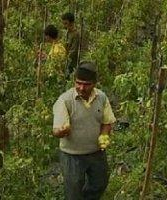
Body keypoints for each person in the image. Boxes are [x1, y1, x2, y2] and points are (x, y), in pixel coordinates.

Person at [52, 61, 116, 200]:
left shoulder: (101, 97)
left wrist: (104, 135)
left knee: (100, 183)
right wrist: (62, 131)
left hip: (96, 152)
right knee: (74, 189)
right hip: (72, 155)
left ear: (94, 83)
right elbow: (56, 131)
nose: (81, 87)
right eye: (78, 83)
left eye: (86, 84)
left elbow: (107, 121)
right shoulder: (65, 100)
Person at [61, 12, 80, 77]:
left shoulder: (76, 34)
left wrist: (65, 59)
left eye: (66, 23)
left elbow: (74, 50)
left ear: (71, 23)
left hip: (72, 62)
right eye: (63, 23)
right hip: (66, 61)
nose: (64, 26)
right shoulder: (67, 33)